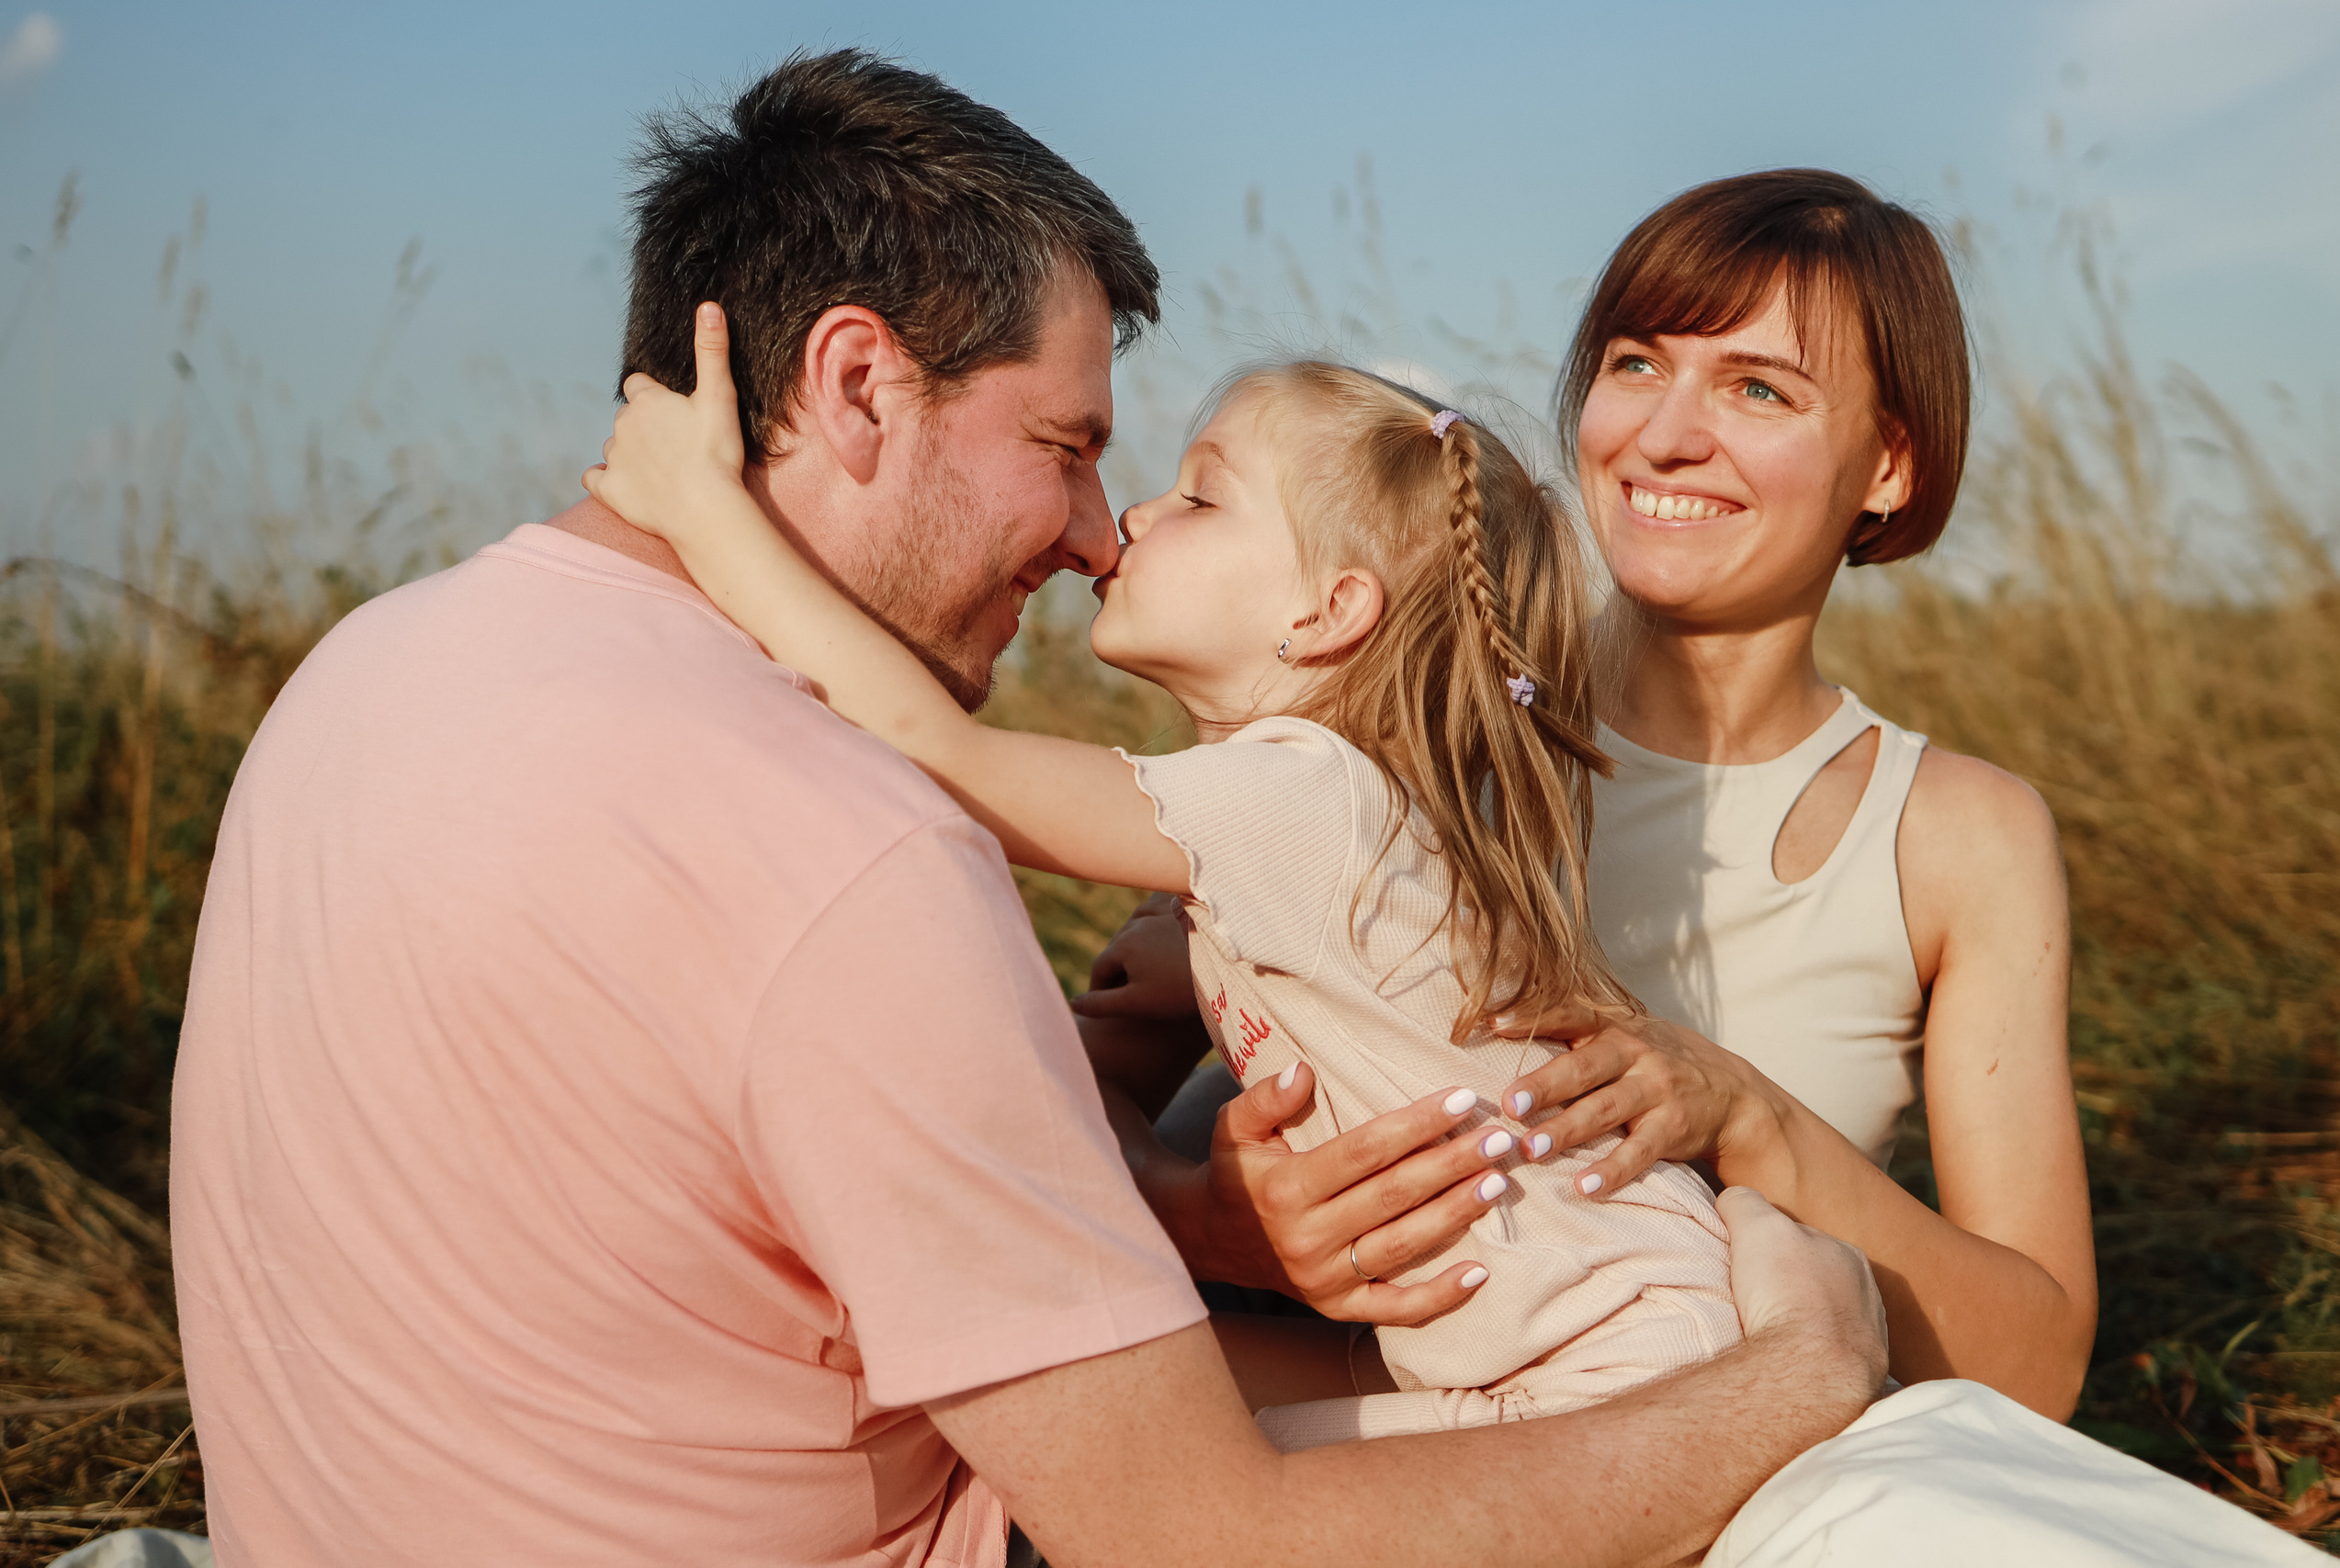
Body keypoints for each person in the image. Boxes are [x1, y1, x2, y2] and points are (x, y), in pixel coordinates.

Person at [169, 52, 1888, 1568]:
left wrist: (1173, 1198)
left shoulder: (363, 673)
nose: (1091, 531)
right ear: (858, 384)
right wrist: (1795, 1385)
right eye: (1065, 445)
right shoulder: (850, 846)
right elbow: (1201, 1538)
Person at [586, 338, 1753, 1451]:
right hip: (1547, 1352)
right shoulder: (1302, 827)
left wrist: (705, 511)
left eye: (1200, 497)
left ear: (1327, 614)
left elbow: (930, 747)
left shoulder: (1305, 797)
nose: (1133, 518)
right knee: (1101, 1411)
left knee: (1152, 1476)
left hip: (1603, 1370)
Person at [1093, 168, 2096, 1417]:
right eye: (1636, 363)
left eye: (1758, 388)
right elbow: (1054, 1089)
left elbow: (2036, 1368)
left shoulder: (1958, 837)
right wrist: (1191, 1214)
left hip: (1676, 1456)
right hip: (1289, 1415)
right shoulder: (1409, 698)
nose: (1663, 435)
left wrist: (1747, 1118)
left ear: (1889, 464)